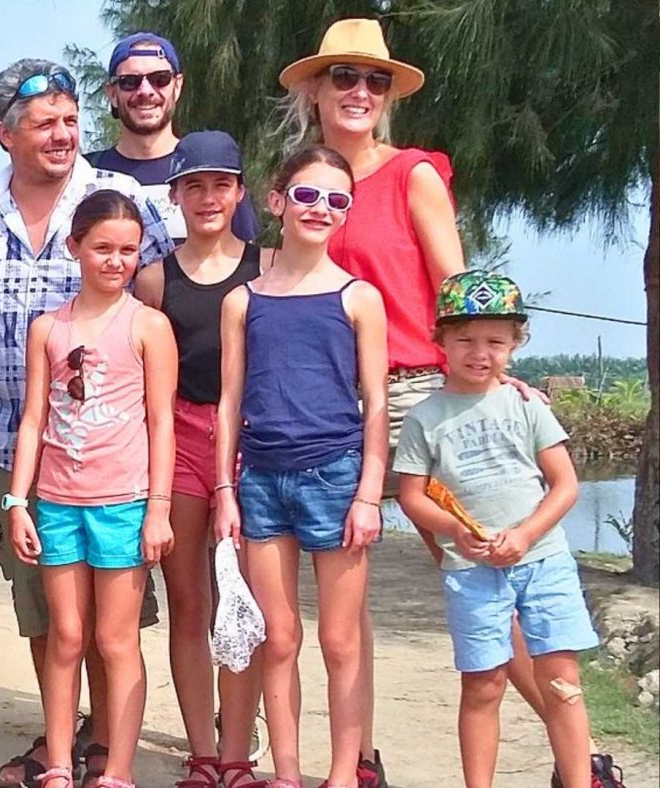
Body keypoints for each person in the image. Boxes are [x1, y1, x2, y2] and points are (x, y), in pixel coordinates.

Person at [277, 20, 617, 786]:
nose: (360, 91)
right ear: (315, 89)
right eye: (344, 76)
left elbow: (459, 294)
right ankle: (358, 760)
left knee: (482, 569)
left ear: (389, 95)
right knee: (344, 590)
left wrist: (490, 381)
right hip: (332, 399)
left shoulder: (413, 174)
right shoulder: (308, 181)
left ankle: (580, 758)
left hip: (418, 390)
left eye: (375, 80)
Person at [0, 58, 174, 788]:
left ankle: (105, 746)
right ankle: (60, 745)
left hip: (117, 461)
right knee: (44, 615)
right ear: (6, 133)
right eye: (44, 123)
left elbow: (160, 302)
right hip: (19, 450)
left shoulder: (119, 200)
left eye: (70, 120)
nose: (62, 134)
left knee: (112, 627)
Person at [213, 146, 388, 788]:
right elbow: (230, 401)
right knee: (277, 637)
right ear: (277, 200)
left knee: (341, 642)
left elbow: (376, 402)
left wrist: (368, 494)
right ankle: (286, 772)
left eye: (337, 200)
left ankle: (342, 773)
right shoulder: (243, 301)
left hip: (336, 478)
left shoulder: (358, 298)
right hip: (261, 481)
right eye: (307, 195)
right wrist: (224, 489)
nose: (321, 209)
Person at [393, 271, 606, 788]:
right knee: (483, 685)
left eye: (495, 341)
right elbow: (411, 496)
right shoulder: (424, 418)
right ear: (440, 341)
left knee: (561, 681)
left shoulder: (526, 404)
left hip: (544, 560)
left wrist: (526, 534)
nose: (479, 352)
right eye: (465, 339)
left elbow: (564, 485)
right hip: (472, 570)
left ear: (516, 343)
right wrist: (454, 530)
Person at [6, 190, 177, 788]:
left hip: (124, 503)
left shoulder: (149, 326)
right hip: (57, 503)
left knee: (115, 638)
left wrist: (158, 509)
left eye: (128, 250)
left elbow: (162, 422)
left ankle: (117, 770)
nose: (115, 261)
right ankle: (58, 764)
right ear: (74, 246)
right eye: (102, 248)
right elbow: (33, 419)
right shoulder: (48, 328)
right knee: (66, 636)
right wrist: (17, 502)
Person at [132, 130, 268, 788]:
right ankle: (203, 753)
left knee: (243, 602)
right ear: (176, 196)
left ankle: (238, 752)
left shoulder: (269, 267)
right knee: (189, 601)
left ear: (239, 192)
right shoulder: (156, 277)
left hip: (253, 443)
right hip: (181, 438)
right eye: (194, 186)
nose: (208, 198)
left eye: (220, 185)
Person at [85, 32, 258, 244]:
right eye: (130, 82)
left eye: (160, 79)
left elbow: (243, 254)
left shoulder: (212, 168)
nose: (145, 91)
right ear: (112, 94)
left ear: (177, 86)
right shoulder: (85, 175)